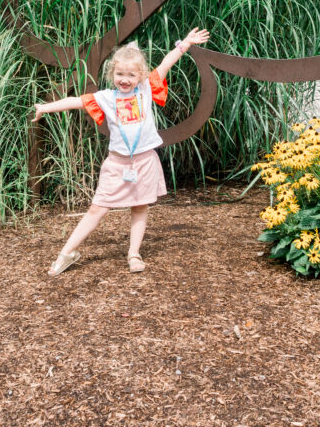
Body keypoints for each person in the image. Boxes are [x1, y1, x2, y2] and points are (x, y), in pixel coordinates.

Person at [33, 28, 211, 276]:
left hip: (145, 161)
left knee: (140, 207)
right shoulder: (106, 97)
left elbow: (166, 63)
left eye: (130, 74)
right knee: (98, 207)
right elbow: (74, 102)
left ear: (140, 76)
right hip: (117, 164)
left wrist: (186, 44)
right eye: (119, 74)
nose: (124, 79)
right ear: (112, 74)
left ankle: (134, 253)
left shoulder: (146, 89)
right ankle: (67, 253)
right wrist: (45, 107)